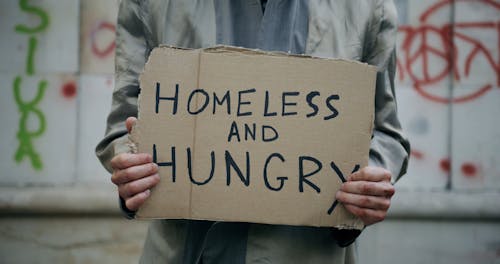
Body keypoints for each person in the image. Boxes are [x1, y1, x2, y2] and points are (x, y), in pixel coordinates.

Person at [96, 0, 410, 263]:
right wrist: (129, 167)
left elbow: (385, 132)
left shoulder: (368, 7)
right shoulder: (151, 3)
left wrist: (369, 183)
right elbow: (123, 124)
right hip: (185, 252)